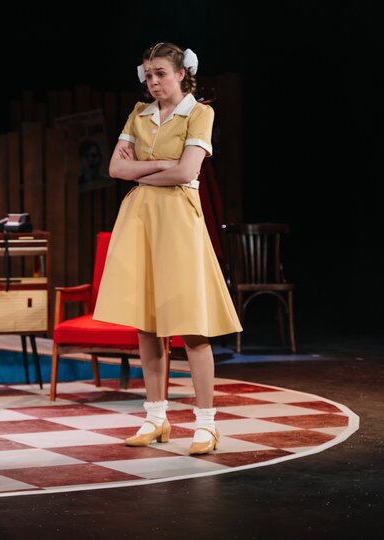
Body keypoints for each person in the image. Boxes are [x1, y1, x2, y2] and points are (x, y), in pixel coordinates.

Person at [93, 43, 241, 455]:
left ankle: (206, 424)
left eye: (160, 73)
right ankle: (156, 417)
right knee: (146, 324)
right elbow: (115, 169)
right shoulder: (138, 114)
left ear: (181, 74)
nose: (154, 82)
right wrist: (161, 166)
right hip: (140, 217)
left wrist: (142, 170)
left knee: (191, 323)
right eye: (148, 75)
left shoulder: (199, 113)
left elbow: (188, 170)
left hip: (178, 217)